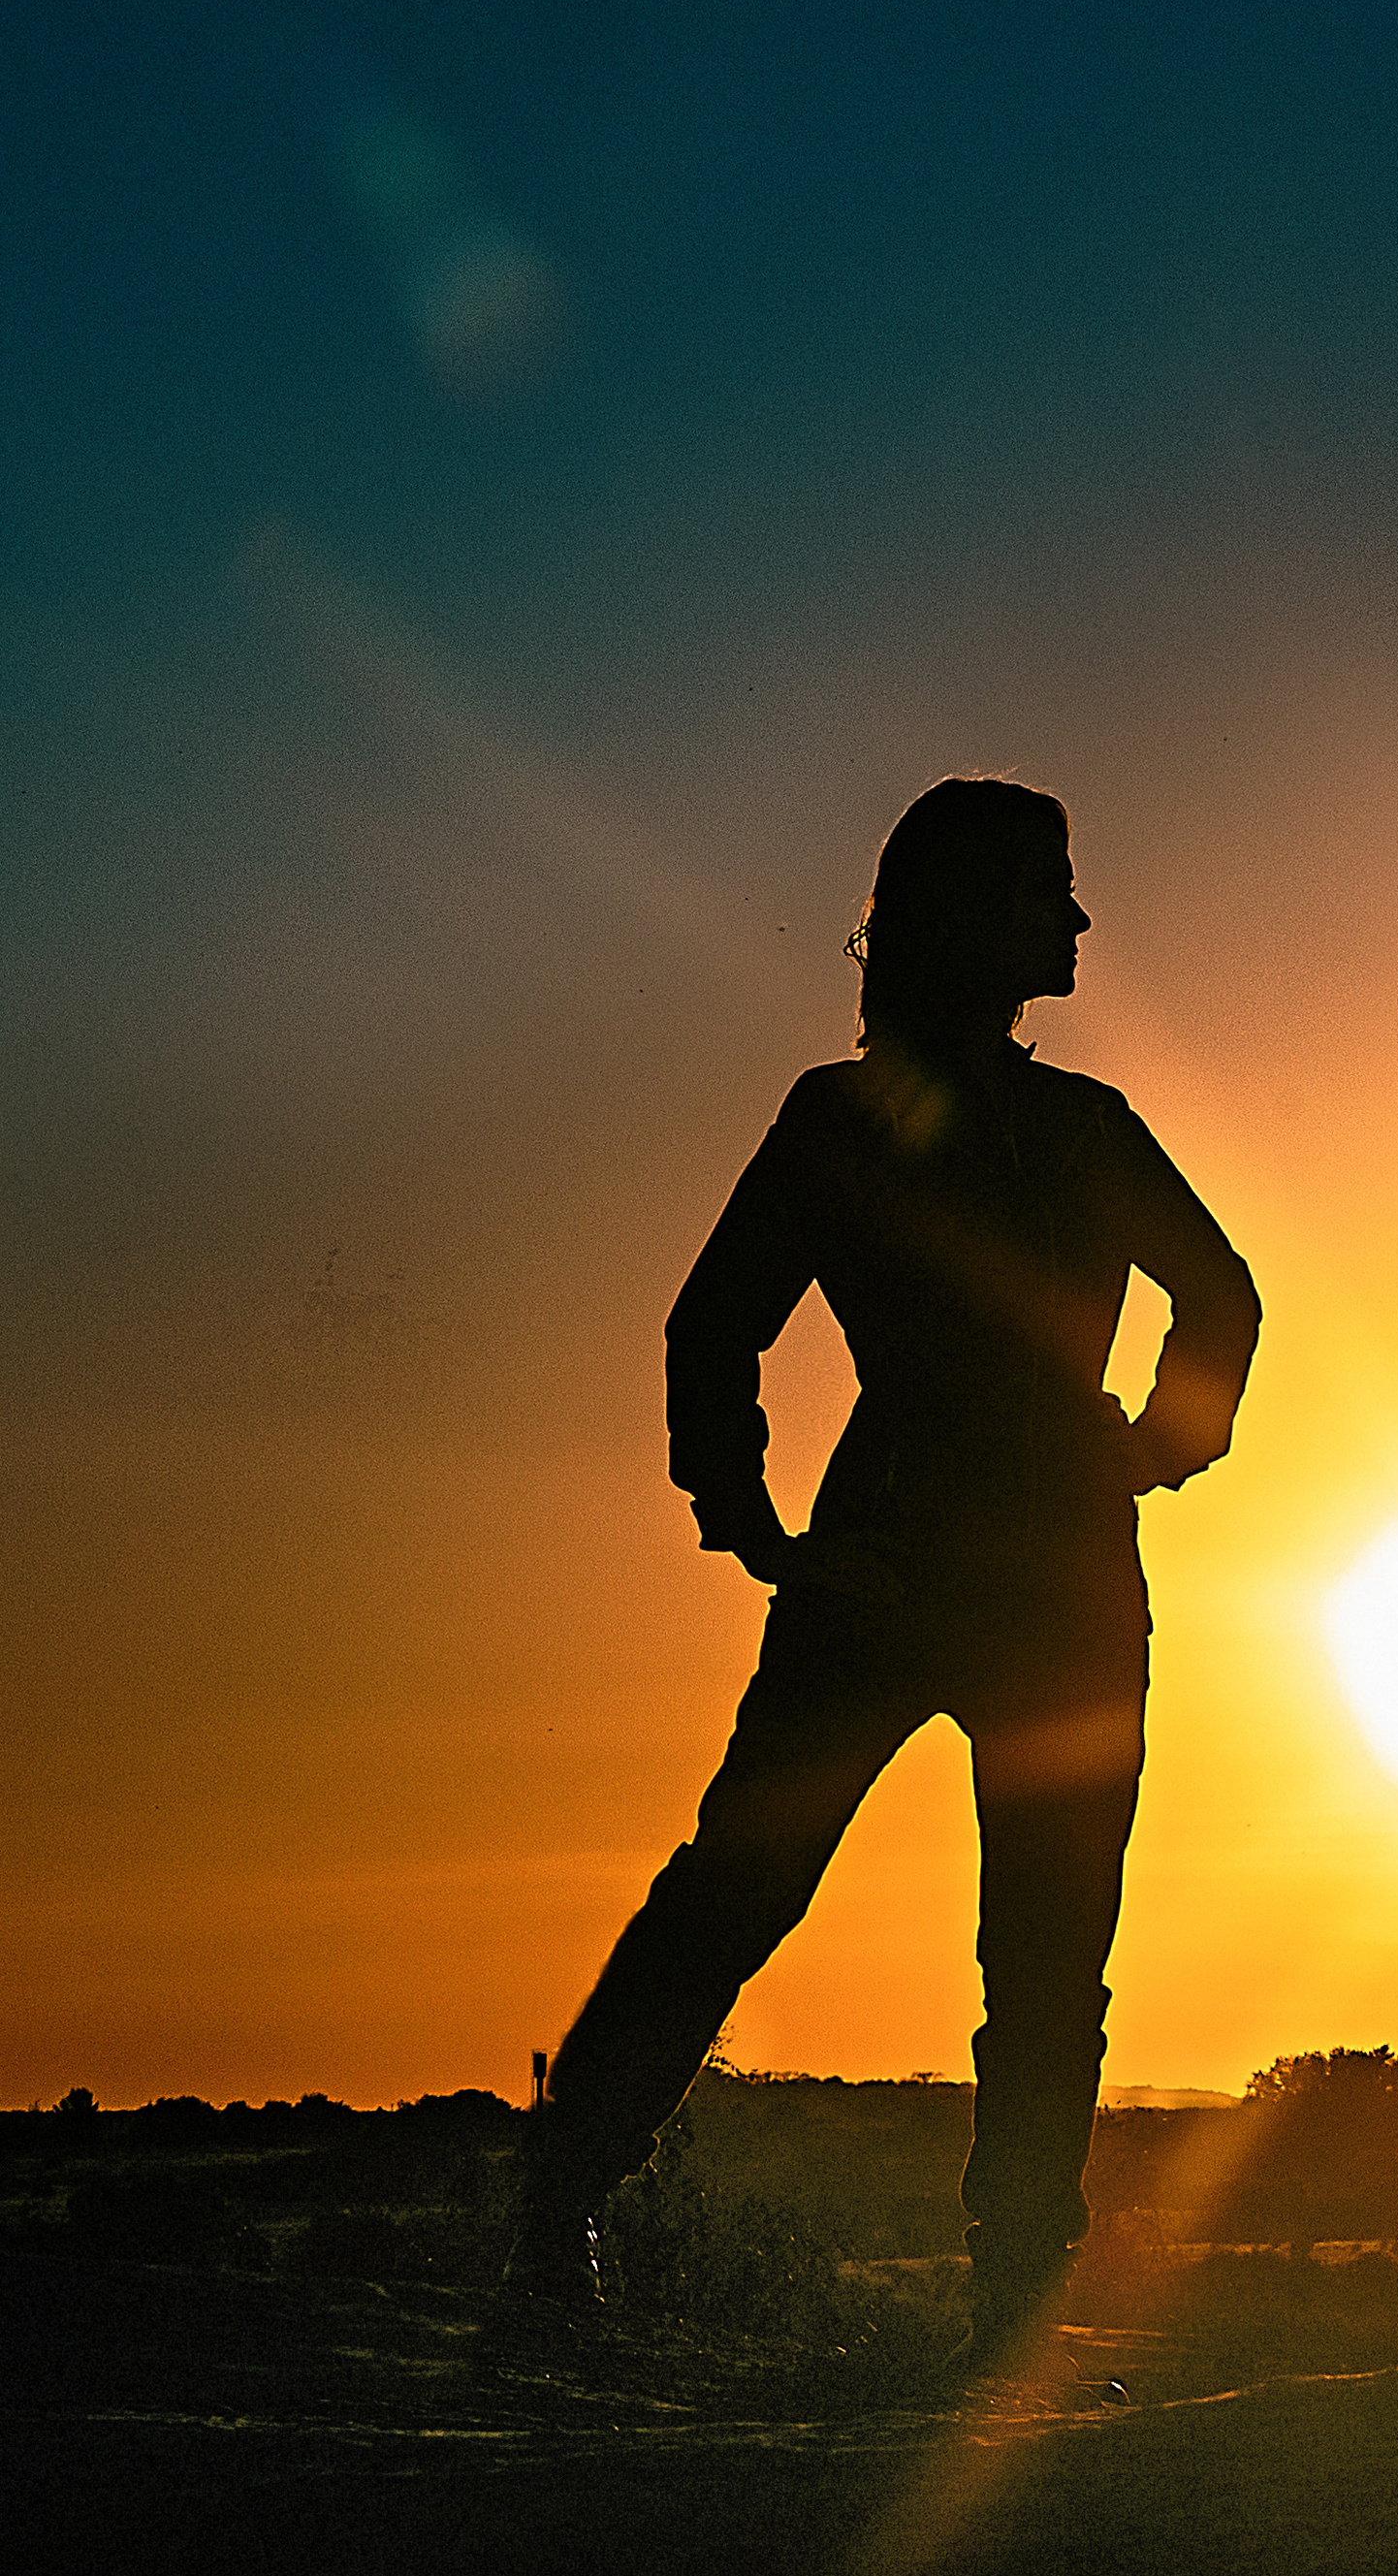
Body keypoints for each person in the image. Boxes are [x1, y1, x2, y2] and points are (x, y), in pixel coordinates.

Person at [502, 778, 1259, 2361]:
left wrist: (753, 1516)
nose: (1077, 921)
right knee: (1003, 1941)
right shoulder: (1018, 1126)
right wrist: (1153, 1445)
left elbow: (714, 1332)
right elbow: (1224, 1301)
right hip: (1008, 1565)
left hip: (929, 1557)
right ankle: (993, 2305)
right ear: (965, 917)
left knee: (781, 1901)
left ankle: (569, 2234)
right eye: (1049, 891)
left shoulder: (940, 1122)